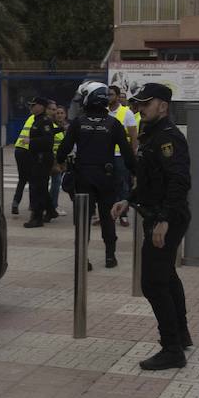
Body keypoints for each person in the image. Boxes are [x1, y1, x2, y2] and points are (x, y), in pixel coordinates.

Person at [111, 83, 191, 370]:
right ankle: (181, 336)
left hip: (166, 217)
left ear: (163, 106)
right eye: (139, 104)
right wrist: (128, 200)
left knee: (152, 283)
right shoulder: (152, 135)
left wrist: (164, 220)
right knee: (166, 276)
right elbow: (150, 180)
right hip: (158, 213)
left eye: (146, 104)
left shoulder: (169, 138)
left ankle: (171, 349)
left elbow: (178, 182)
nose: (141, 108)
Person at [57, 84, 132, 268]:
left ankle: (82, 258)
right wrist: (137, 174)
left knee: (83, 220)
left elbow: (63, 151)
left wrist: (61, 161)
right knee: (108, 218)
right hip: (106, 177)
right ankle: (110, 257)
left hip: (83, 178)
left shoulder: (78, 122)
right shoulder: (113, 124)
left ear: (89, 97)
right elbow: (128, 154)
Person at [22, 97, 58, 228]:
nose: (31, 107)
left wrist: (31, 142)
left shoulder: (45, 121)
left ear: (41, 107)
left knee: (38, 188)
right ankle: (50, 210)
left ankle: (37, 218)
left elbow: (48, 141)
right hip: (36, 157)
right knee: (40, 187)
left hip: (42, 158)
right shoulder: (37, 120)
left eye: (34, 105)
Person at [106, 85, 138, 226]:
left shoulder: (127, 113)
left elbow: (133, 136)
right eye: (107, 94)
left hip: (120, 155)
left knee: (123, 185)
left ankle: (123, 214)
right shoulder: (103, 112)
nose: (108, 97)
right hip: (105, 155)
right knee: (108, 185)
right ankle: (108, 213)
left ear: (118, 96)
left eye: (111, 94)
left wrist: (131, 156)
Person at [10, 100, 37, 216]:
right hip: (28, 150)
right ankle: (32, 204)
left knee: (22, 178)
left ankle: (15, 203)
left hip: (19, 149)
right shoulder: (38, 119)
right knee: (32, 178)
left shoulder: (31, 118)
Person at [48, 104, 68, 218]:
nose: (59, 115)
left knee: (57, 183)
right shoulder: (52, 126)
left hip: (61, 159)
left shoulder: (67, 126)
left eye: (62, 113)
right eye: (58, 113)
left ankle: (51, 205)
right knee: (56, 182)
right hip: (52, 158)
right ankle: (52, 206)